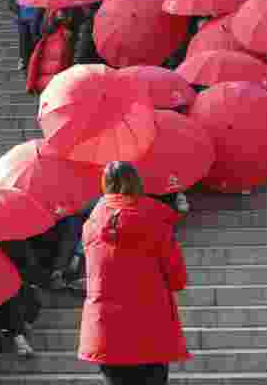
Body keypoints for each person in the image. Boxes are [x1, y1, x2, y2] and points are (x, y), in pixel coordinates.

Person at [79, 162, 189, 385]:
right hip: (150, 322)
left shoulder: (91, 224)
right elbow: (176, 278)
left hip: (105, 324)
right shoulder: (155, 220)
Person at [26, 10, 75, 94]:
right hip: (58, 83)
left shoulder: (43, 41)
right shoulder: (64, 39)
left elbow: (34, 62)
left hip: (45, 84)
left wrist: (30, 84)